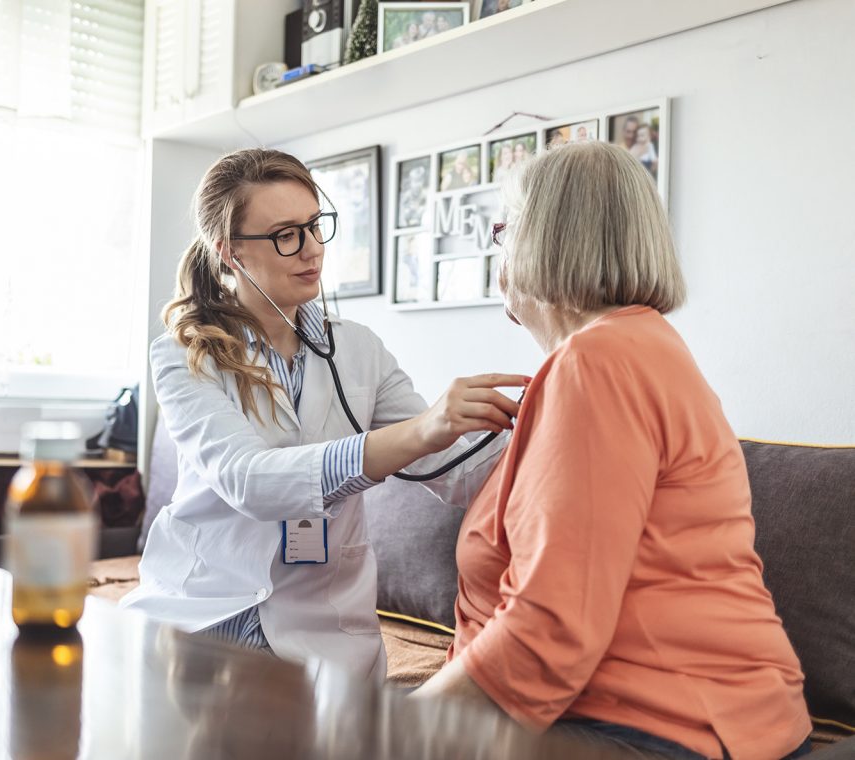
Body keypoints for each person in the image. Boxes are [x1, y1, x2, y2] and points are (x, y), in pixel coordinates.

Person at [414, 142, 812, 759]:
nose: (498, 255)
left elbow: (551, 629)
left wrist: (389, 727)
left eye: (501, 233)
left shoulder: (596, 363)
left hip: (662, 723)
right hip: (689, 716)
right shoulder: (635, 348)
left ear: (542, 242)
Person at [121, 148, 527, 681]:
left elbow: (456, 468)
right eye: (286, 235)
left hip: (320, 632)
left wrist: (536, 459)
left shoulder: (359, 351)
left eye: (315, 227)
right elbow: (250, 483)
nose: (312, 249)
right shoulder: (183, 355)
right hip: (204, 613)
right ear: (230, 253)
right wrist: (423, 430)